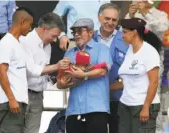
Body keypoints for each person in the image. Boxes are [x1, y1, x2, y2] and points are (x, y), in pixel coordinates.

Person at [57, 18, 112, 133]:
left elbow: (103, 71)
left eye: (80, 31)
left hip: (96, 109)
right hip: (74, 109)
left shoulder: (102, 49)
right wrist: (61, 83)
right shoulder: (69, 53)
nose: (76, 35)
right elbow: (60, 80)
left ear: (91, 32)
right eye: (74, 32)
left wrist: (84, 74)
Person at [19, 12, 69, 133]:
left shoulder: (48, 46)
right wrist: (56, 66)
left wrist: (58, 82)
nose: (54, 40)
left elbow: (44, 71)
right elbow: (30, 69)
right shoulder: (24, 40)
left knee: (33, 131)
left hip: (38, 95)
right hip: (21, 95)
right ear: (44, 28)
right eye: (53, 35)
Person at [117, 18, 162, 133]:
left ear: (134, 32)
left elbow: (154, 82)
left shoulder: (149, 52)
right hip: (125, 104)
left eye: (125, 32)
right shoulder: (129, 50)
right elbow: (128, 80)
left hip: (142, 105)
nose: (122, 36)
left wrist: (146, 107)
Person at [0, 7, 34, 133]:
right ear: (22, 21)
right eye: (30, 24)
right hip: (10, 102)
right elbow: (1, 72)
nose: (30, 28)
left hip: (18, 102)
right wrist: (11, 99)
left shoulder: (17, 43)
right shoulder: (7, 42)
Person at [92, 3, 128, 133]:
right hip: (94, 100)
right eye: (107, 18)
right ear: (99, 17)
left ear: (118, 21)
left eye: (114, 20)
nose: (110, 22)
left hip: (118, 99)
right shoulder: (89, 38)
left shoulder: (126, 39)